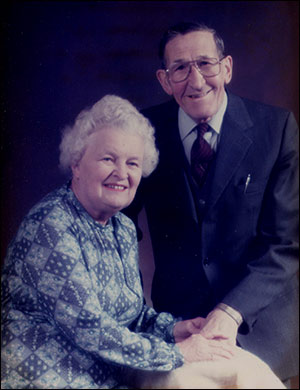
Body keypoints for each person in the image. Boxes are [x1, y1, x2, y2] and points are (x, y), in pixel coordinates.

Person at [1, 94, 286, 389]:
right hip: (51, 378)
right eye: (108, 159)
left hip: (110, 374)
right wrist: (176, 352)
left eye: (133, 163)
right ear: (76, 164)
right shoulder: (51, 225)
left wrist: (176, 330)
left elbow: (131, 315)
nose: (122, 174)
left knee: (238, 367)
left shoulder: (121, 228)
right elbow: (90, 328)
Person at [124, 21, 299, 385]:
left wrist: (232, 312)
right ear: (164, 79)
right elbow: (117, 227)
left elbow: (285, 244)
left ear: (227, 68)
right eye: (181, 68)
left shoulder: (277, 128)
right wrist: (132, 310)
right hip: (178, 321)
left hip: (259, 323)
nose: (196, 79)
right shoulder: (141, 131)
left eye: (206, 63)